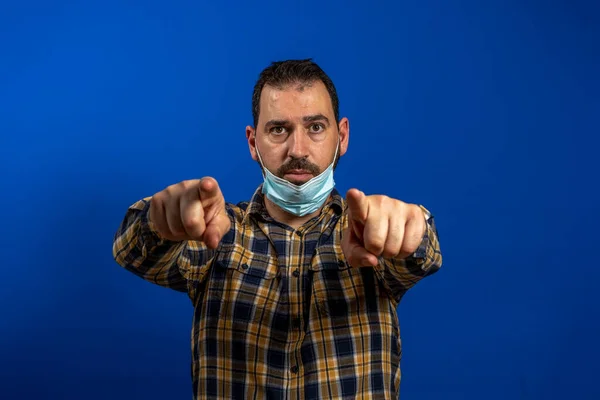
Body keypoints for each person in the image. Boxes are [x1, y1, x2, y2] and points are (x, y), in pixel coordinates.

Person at [112, 58, 443, 399]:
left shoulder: (366, 233)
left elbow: (425, 254)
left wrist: (410, 228)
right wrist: (158, 220)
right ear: (253, 142)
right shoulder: (215, 231)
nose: (297, 150)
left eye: (315, 127)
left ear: (341, 136)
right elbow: (132, 253)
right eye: (278, 130)